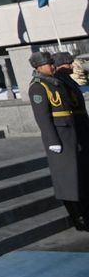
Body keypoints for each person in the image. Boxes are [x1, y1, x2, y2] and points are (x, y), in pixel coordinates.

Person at [29, 50, 89, 231]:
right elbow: (43, 117)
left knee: (78, 177)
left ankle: (84, 215)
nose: (52, 66)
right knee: (67, 180)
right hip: (59, 138)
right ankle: (78, 218)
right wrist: (52, 139)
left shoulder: (53, 82)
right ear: (40, 67)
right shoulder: (38, 86)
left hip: (71, 135)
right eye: (49, 64)